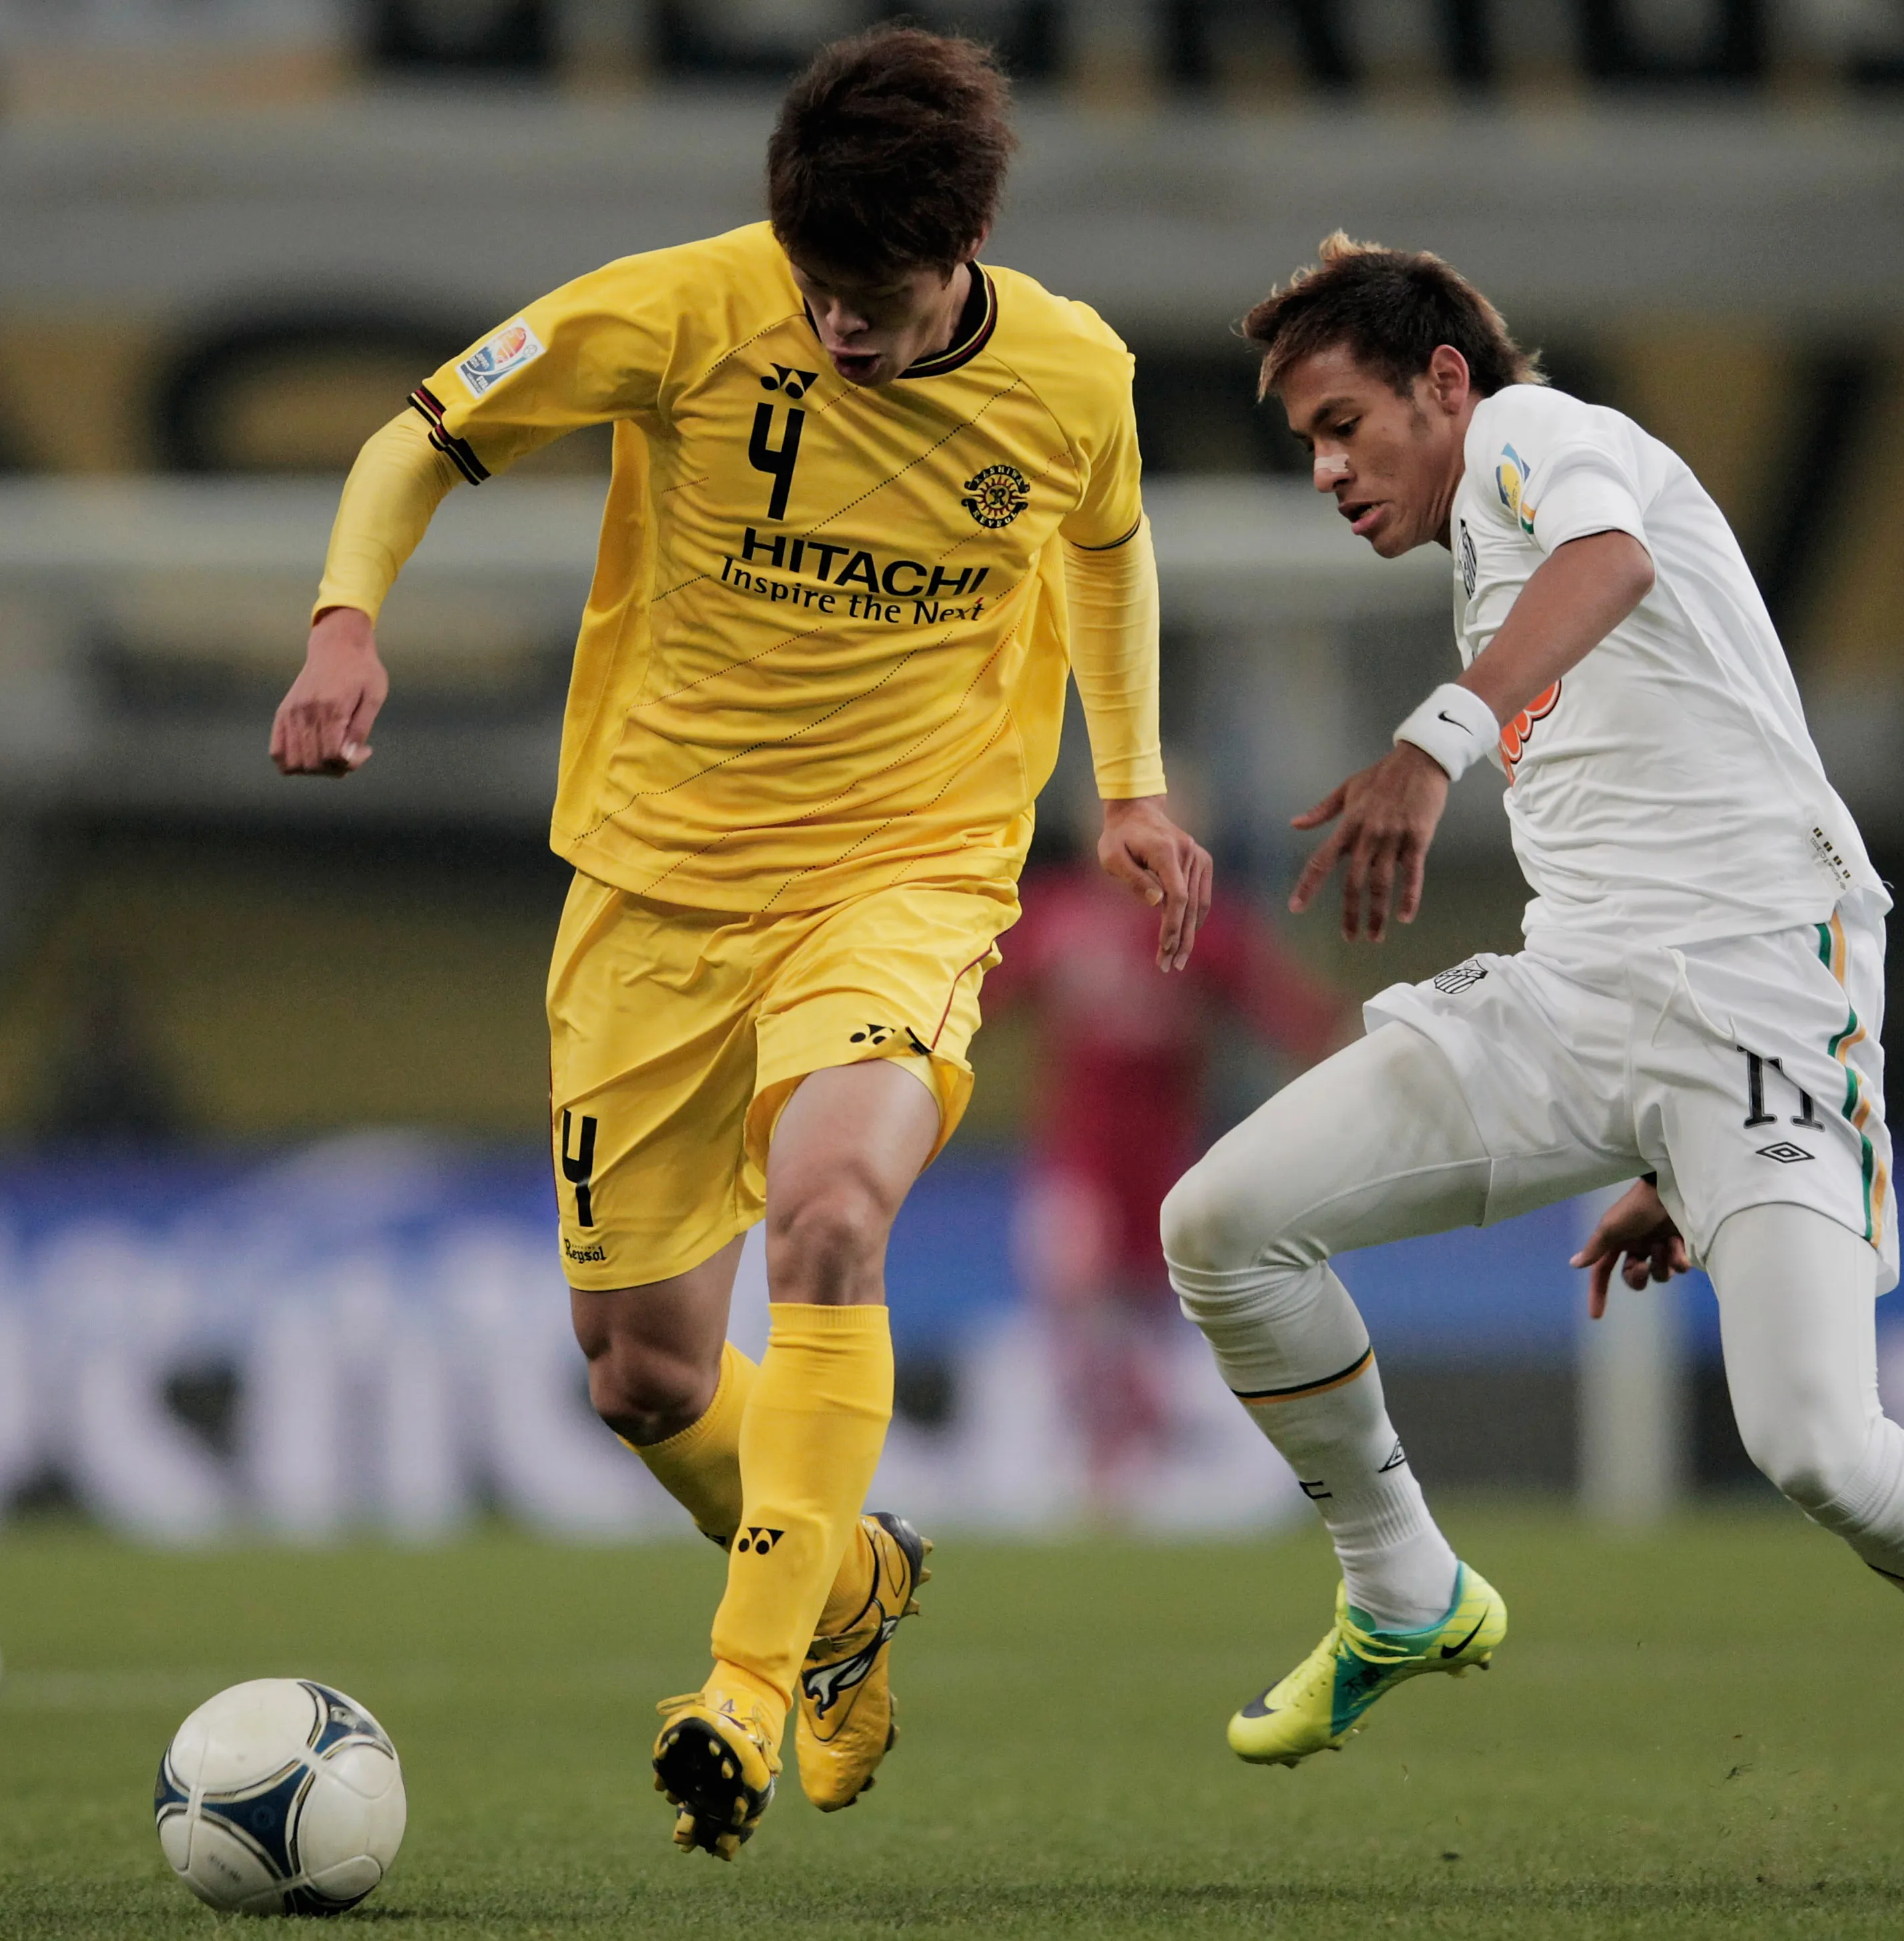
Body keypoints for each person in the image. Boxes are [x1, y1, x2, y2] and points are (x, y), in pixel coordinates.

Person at [269, 27, 1209, 1862]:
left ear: (964, 250)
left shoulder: (1071, 376)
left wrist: (1132, 781)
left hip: (906, 874)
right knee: (643, 1377)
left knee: (834, 1211)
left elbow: (1108, 542)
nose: (833, 327)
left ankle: (748, 1692)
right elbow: (424, 432)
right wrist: (340, 622)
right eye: (812, 287)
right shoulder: (686, 310)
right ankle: (851, 1577)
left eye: (868, 299)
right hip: (652, 892)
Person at [1158, 235, 1904, 1894]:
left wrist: (1431, 742)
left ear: (1446, 384)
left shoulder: (1552, 440)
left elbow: (1611, 563)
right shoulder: (1483, 537)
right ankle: (1402, 1582)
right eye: (1306, 445)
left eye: (1345, 424)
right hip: (1580, 1006)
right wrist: (1650, 1143)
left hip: (1765, 997)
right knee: (1221, 1224)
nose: (1329, 470)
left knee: (1817, 1444)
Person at [985, 806, 1345, 1511]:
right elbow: (974, 1005)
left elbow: (1285, 1011)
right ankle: (1096, 1458)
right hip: (1076, 1161)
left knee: (1147, 1323)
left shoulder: (1201, 927)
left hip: (1161, 1166)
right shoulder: (1057, 920)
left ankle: (1134, 1460)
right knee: (1073, 1282)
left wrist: (1352, 1063)